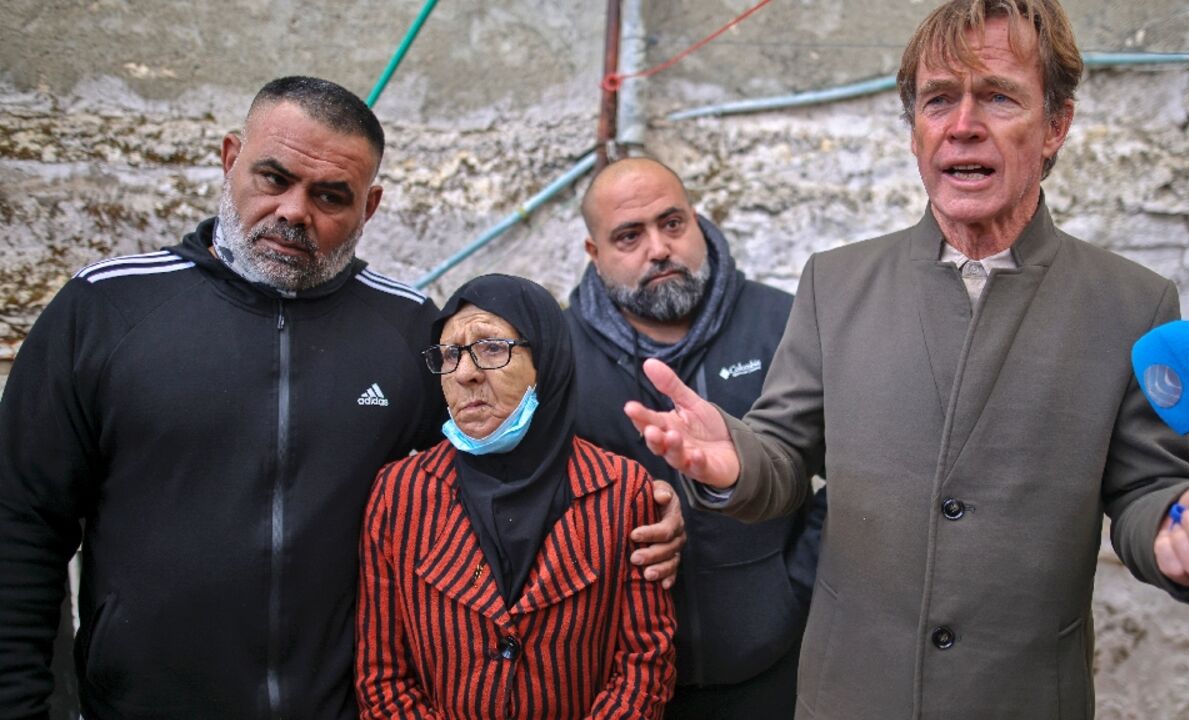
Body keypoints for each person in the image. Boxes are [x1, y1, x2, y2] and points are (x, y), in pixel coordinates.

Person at [621, 2, 1189, 717]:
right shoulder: (834, 284)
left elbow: (1147, 492)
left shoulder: (1132, 303)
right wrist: (737, 461)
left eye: (998, 95)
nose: (963, 123)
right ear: (915, 132)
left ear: (1056, 124)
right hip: (850, 697)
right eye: (939, 99)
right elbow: (782, 455)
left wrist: (1185, 521)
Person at [0, 76, 682, 720]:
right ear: (231, 158)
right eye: (274, 178)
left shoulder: (411, 327)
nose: (294, 211)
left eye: (330, 195)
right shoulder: (106, 308)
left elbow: (503, 455)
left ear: (369, 206)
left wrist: (653, 505)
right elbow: (20, 526)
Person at [567, 156, 825, 718]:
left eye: (673, 223)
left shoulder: (785, 324)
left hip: (777, 665)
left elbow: (848, 474)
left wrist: (794, 589)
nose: (658, 248)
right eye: (629, 236)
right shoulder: (560, 359)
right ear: (595, 254)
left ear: (698, 220)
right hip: (621, 685)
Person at [357, 274, 676, 719]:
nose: (465, 372)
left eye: (491, 347)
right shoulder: (400, 495)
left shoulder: (622, 491)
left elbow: (645, 662)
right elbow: (383, 675)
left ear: (546, 360)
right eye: (449, 355)